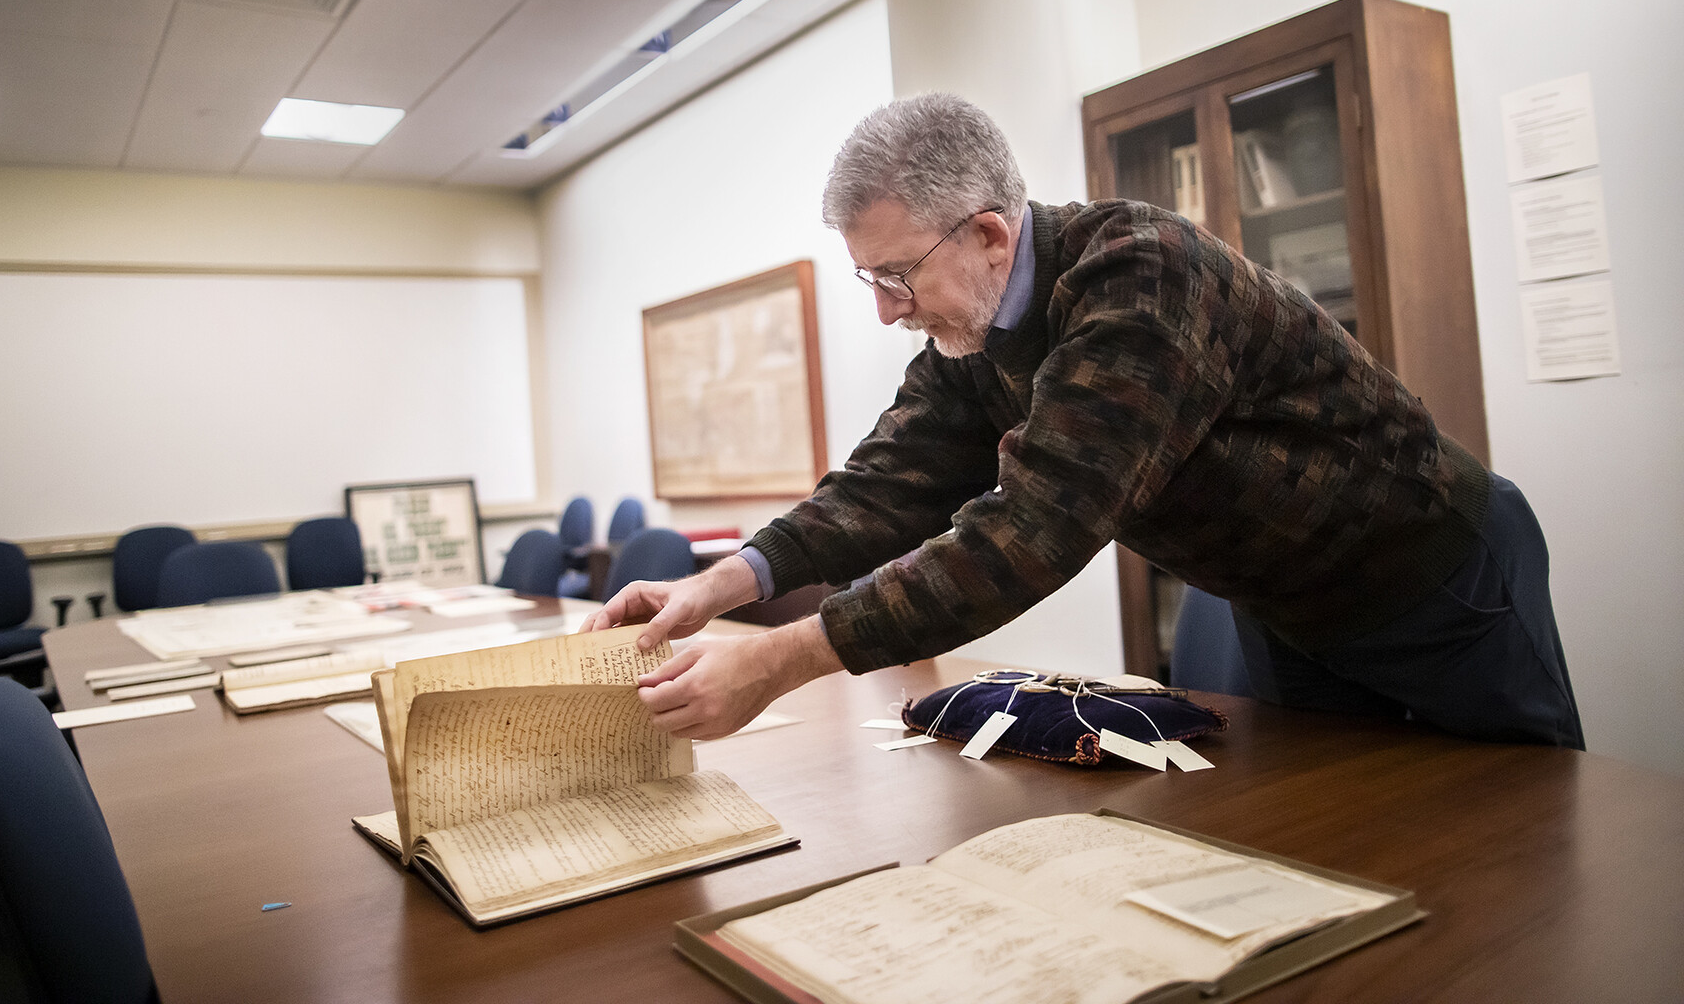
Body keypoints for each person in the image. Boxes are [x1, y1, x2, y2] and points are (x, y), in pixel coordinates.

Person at [582, 93, 1584, 750]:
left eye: (896, 274)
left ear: (985, 233)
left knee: (1521, 843)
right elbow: (884, 485)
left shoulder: (1142, 278)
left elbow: (1035, 528)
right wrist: (718, 587)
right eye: (870, 278)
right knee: (1351, 843)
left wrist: (779, 658)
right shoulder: (970, 341)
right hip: (1287, 602)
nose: (886, 308)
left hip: (1434, 580)